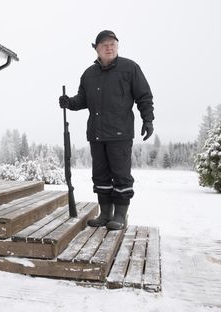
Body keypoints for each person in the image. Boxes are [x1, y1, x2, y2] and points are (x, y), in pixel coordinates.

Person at [59, 30, 154, 231]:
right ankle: (105, 214)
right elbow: (83, 100)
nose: (109, 47)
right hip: (96, 134)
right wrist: (69, 103)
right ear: (96, 49)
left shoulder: (130, 68)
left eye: (112, 44)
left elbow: (144, 96)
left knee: (121, 175)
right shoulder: (88, 74)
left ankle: (120, 215)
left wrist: (148, 120)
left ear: (117, 47)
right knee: (100, 175)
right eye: (104, 45)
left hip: (120, 134)